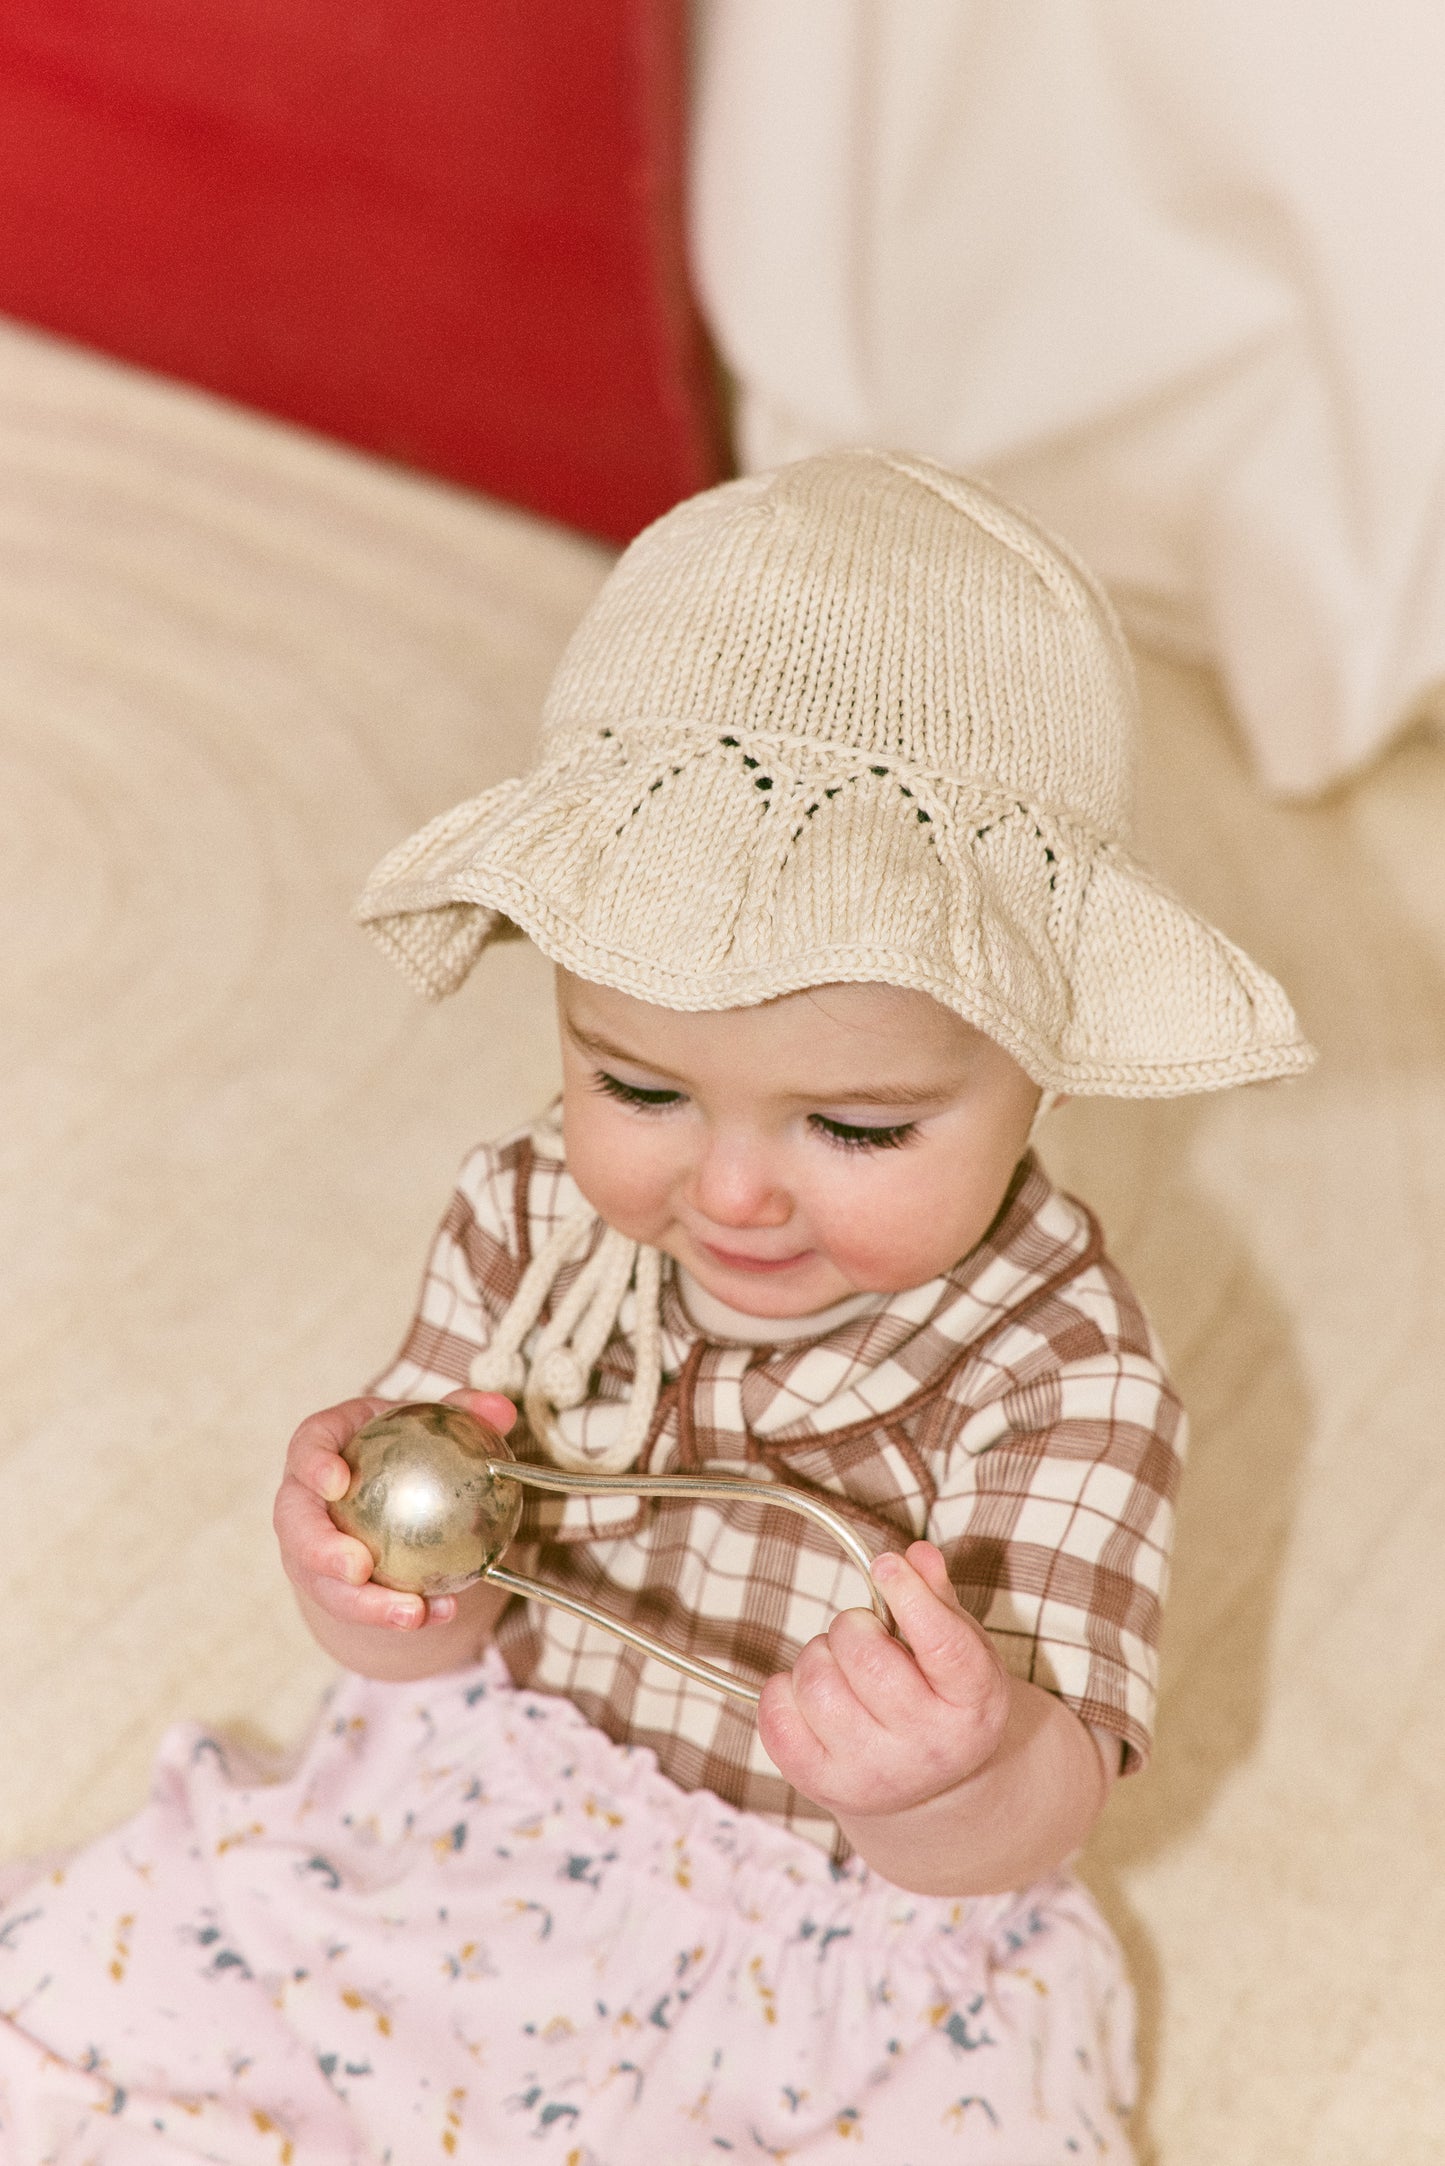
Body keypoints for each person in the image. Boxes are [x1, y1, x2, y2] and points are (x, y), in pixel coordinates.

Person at [0, 452, 1310, 2161]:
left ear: (1042, 1070)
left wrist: (956, 1773)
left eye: (855, 1127)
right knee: (133, 1984)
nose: (734, 1191)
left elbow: (1036, 1814)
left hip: (845, 1936)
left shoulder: (1064, 1374)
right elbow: (433, 1611)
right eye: (636, 1085)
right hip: (475, 1820)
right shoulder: (532, 1212)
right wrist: (360, 1579)